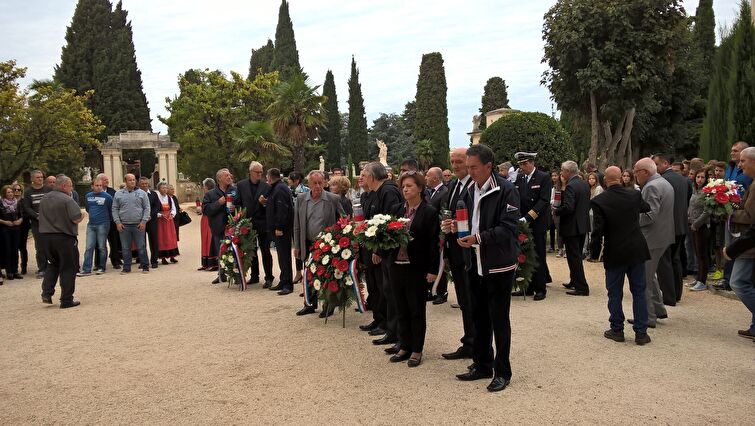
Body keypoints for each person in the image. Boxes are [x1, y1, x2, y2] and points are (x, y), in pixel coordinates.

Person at [454, 143, 519, 393]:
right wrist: (455, 228)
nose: (469, 172)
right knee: (478, 316)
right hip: (475, 262)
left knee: (499, 319)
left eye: (474, 167)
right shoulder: (470, 189)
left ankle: (503, 371)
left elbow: (509, 228)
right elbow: (468, 220)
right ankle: (482, 363)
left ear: (489, 166)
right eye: (467, 167)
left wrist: (478, 238)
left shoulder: (506, 190)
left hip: (498, 265)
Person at [590, 166, 652, 345]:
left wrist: (594, 253)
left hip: (615, 250)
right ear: (621, 178)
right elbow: (645, 207)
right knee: (639, 291)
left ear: (605, 181)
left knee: (615, 292)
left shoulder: (600, 201)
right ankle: (641, 332)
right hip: (636, 248)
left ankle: (617, 329)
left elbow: (597, 231)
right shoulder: (634, 195)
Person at [386, 171, 440, 368]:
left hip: (416, 267)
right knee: (400, 307)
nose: (406, 189)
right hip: (396, 266)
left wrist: (433, 270)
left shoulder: (429, 212)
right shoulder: (396, 209)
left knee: (416, 309)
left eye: (409, 186)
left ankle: (417, 349)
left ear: (419, 188)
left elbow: (434, 243)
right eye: (403, 186)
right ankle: (404, 345)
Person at [440, 147, 477, 361]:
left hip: (469, 250)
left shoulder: (474, 185)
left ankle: (475, 343)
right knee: (463, 297)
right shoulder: (453, 184)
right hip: (454, 248)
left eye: (459, 161)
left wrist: (460, 225)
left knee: (472, 298)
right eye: (452, 161)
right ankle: (468, 340)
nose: (455, 166)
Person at [363, 162, 403, 351]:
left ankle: (393, 330)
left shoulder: (388, 191)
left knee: (390, 291)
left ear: (372, 177)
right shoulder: (379, 192)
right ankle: (390, 329)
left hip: (389, 251)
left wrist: (378, 250)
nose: (362, 178)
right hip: (383, 250)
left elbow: (389, 222)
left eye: (364, 175)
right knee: (385, 289)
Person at [294, 171, 345, 317]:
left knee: (326, 275)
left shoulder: (333, 199)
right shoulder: (301, 199)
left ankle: (329, 305)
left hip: (326, 245)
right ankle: (309, 304)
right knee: (309, 274)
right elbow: (296, 225)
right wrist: (297, 245)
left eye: (320, 183)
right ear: (308, 184)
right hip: (308, 243)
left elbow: (344, 220)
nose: (317, 186)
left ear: (325, 183)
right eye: (314, 183)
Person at [633, 158, 674, 328]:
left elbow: (650, 215)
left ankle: (647, 317)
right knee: (651, 276)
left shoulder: (651, 186)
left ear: (645, 172)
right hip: (662, 236)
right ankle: (658, 309)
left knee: (643, 279)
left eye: (636, 172)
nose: (635, 175)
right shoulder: (664, 182)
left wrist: (631, 218)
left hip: (651, 238)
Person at [39, 175, 84, 308]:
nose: (71, 189)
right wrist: (83, 215)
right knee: (69, 267)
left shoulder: (44, 198)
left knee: (53, 264)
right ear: (64, 186)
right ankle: (66, 299)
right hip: (64, 237)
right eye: (70, 186)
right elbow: (76, 218)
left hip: (46, 237)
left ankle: (46, 293)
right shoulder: (67, 200)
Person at [653, 153, 692, 305]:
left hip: (668, 226)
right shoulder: (683, 180)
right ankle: (677, 293)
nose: (655, 168)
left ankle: (669, 297)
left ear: (664, 164)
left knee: (665, 262)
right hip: (681, 225)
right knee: (675, 260)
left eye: (656, 164)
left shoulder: (663, 181)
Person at [512, 151, 552, 300]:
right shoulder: (520, 178)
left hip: (537, 223)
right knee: (524, 255)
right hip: (522, 223)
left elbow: (544, 201)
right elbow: (516, 197)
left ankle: (540, 288)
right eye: (521, 164)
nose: (523, 167)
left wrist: (528, 217)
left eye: (525, 163)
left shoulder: (543, 177)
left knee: (538, 255)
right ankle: (526, 286)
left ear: (532, 162)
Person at [726, 146, 755, 340]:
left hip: (749, 245)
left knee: (737, 282)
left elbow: (751, 217)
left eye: (743, 161)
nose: (740, 164)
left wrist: (730, 211)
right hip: (747, 242)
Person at [554, 161, 591, 296]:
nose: (561, 174)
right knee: (575, 255)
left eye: (562, 171)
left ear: (568, 172)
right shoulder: (584, 183)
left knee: (573, 256)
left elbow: (569, 207)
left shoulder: (570, 186)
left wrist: (556, 210)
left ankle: (581, 286)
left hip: (572, 226)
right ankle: (574, 280)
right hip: (582, 224)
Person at [235, 161, 273, 286]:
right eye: (257, 172)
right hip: (247, 224)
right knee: (251, 250)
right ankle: (254, 275)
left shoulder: (266, 186)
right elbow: (238, 202)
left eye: (261, 172)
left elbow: (270, 206)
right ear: (250, 172)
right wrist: (239, 216)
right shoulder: (241, 185)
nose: (259, 174)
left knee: (265, 251)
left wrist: (264, 204)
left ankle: (269, 277)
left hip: (263, 223)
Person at [112, 174, 151, 274]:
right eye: (130, 180)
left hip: (138, 224)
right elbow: (115, 208)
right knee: (125, 248)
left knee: (141, 246)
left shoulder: (142, 193)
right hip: (124, 225)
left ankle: (145, 266)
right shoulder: (118, 194)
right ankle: (126, 267)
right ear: (125, 181)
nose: (132, 181)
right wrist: (117, 222)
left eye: (134, 180)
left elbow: (147, 208)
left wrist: (143, 221)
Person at [203, 169, 236, 284]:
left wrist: (235, 208)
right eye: (226, 175)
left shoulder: (235, 190)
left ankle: (236, 274)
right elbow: (206, 210)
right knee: (220, 252)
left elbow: (242, 205)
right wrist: (219, 203)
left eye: (229, 175)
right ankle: (221, 274)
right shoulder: (210, 194)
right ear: (219, 179)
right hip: (218, 228)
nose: (229, 177)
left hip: (233, 228)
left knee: (235, 252)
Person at [266, 168, 294, 295]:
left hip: (282, 229)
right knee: (281, 256)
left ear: (270, 178)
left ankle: (287, 284)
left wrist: (279, 227)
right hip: (278, 228)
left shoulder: (280, 189)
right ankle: (283, 280)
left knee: (284, 256)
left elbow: (282, 209)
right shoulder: (277, 187)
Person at [77, 178, 113, 276]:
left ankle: (101, 267)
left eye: (100, 185)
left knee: (101, 246)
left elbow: (111, 210)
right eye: (97, 185)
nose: (99, 187)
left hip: (103, 224)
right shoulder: (88, 196)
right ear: (92, 186)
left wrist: (106, 220)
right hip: (91, 224)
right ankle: (86, 269)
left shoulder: (108, 197)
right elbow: (88, 208)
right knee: (89, 247)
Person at [424, 166, 449, 304]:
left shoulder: (444, 192)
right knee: (431, 262)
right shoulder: (429, 192)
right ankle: (431, 290)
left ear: (435, 178)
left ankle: (442, 292)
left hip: (439, 234)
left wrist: (442, 235)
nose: (426, 177)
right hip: (429, 233)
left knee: (440, 263)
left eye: (428, 175)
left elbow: (444, 213)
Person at [22, 170, 52, 278]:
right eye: (38, 177)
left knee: (50, 245)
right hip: (36, 223)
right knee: (40, 247)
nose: (40, 179)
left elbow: (52, 203)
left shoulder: (49, 190)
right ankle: (42, 268)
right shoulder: (28, 192)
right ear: (32, 179)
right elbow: (27, 207)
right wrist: (37, 216)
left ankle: (52, 267)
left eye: (41, 177)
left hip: (49, 222)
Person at [687, 168, 711, 291]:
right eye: (698, 177)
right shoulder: (695, 189)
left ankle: (702, 280)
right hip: (692, 224)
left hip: (701, 226)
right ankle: (698, 278)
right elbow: (691, 206)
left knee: (702, 254)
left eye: (702, 177)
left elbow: (707, 211)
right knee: (697, 253)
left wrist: (696, 224)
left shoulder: (707, 192)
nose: (699, 179)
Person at [95, 174, 122, 269]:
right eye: (105, 180)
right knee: (99, 243)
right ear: (100, 181)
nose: (107, 181)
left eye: (107, 180)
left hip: (111, 221)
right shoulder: (93, 192)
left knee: (114, 242)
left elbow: (117, 204)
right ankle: (98, 263)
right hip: (99, 222)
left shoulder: (112, 191)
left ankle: (116, 261)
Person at [289, 171, 309, 284]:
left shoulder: (306, 190)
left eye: (290, 179)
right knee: (296, 246)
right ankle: (298, 272)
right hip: (293, 222)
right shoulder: (288, 190)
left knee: (305, 245)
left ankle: (306, 272)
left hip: (303, 221)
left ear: (296, 180)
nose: (288, 181)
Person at [0, 185, 24, 281]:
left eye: (11, 192)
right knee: (7, 249)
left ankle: (15, 271)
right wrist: (5, 222)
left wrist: (20, 221)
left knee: (15, 249)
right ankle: (9, 271)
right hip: (4, 229)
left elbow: (21, 215)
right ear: (4, 193)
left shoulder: (17, 203)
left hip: (16, 228)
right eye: (8, 192)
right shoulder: (1, 203)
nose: (10, 193)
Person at [138, 177, 161, 270]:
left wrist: (149, 215)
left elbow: (157, 206)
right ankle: (144, 262)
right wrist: (143, 217)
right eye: (142, 184)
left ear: (148, 184)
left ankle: (154, 261)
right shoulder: (136, 194)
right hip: (140, 221)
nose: (144, 185)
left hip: (152, 221)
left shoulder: (154, 194)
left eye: (146, 184)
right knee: (141, 242)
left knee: (154, 241)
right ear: (139, 184)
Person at [197, 178, 219, 271]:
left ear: (206, 186)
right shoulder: (207, 194)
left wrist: (201, 209)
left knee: (210, 240)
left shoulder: (213, 194)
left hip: (210, 219)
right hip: (204, 220)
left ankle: (213, 263)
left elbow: (210, 207)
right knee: (205, 240)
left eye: (204, 186)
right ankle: (205, 263)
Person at [156, 182, 179, 264]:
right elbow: (155, 210)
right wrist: (160, 215)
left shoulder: (170, 198)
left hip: (169, 221)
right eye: (163, 188)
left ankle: (172, 256)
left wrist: (172, 214)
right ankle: (163, 258)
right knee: (162, 238)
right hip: (161, 222)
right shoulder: (157, 198)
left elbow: (173, 208)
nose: (165, 189)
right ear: (159, 189)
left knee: (171, 238)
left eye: (166, 188)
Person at [585, 172, 604, 262]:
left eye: (593, 178)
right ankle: (588, 251)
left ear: (596, 180)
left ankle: (593, 253)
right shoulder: (588, 188)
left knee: (593, 233)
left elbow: (595, 200)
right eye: (589, 178)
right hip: (588, 213)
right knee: (588, 233)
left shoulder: (598, 188)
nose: (591, 180)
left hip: (595, 213)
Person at [12, 182, 29, 275]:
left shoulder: (24, 201)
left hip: (23, 227)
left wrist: (21, 219)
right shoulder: (9, 201)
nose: (17, 191)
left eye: (19, 190)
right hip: (12, 227)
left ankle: (24, 266)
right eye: (15, 189)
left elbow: (28, 213)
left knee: (23, 247)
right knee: (13, 247)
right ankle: (13, 268)